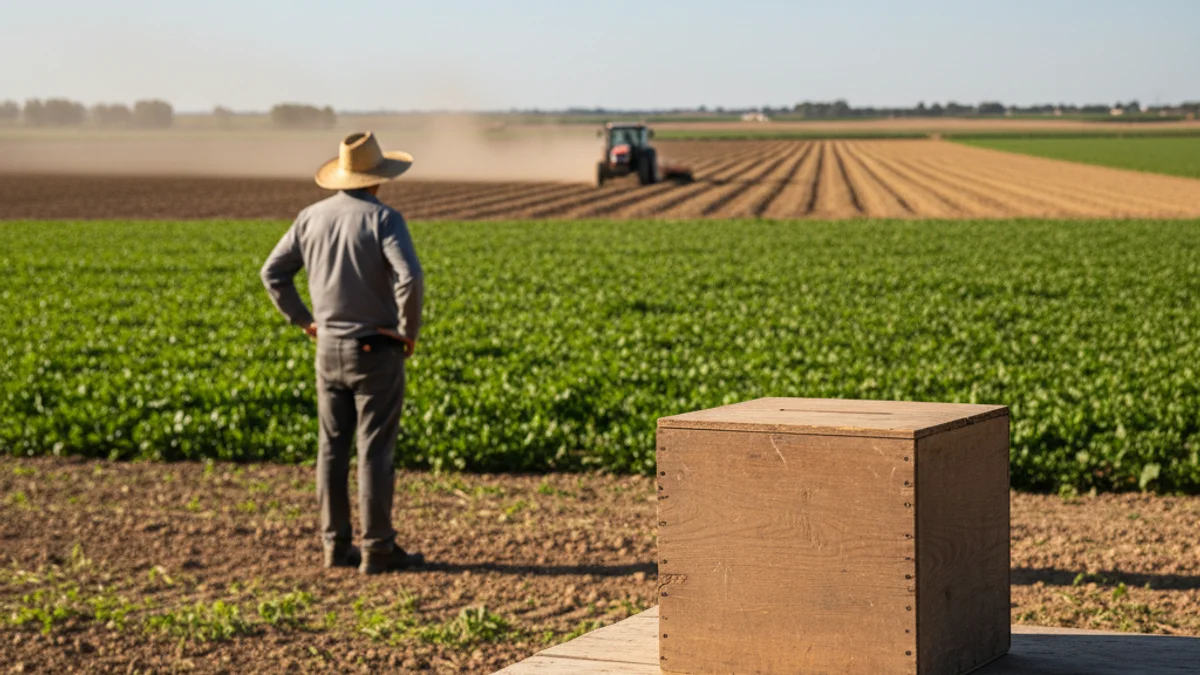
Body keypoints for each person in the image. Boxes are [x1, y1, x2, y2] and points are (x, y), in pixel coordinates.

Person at [260, 132, 425, 575]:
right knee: (374, 451)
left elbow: (272, 272)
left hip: (327, 349)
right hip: (375, 349)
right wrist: (408, 332)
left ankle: (335, 546)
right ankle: (378, 549)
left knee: (331, 450)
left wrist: (304, 321)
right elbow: (409, 278)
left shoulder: (309, 217)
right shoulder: (384, 220)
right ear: (377, 179)